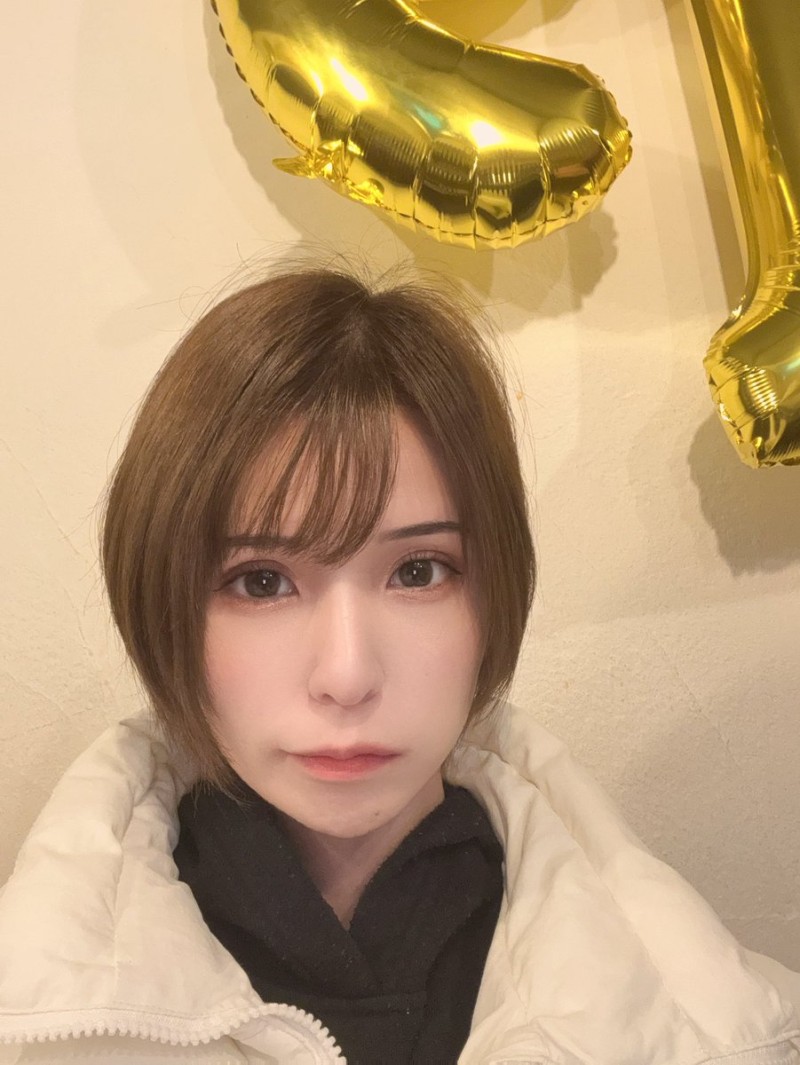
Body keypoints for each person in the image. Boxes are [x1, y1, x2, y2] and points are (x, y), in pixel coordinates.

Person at [0, 266, 797, 1065]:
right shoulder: (35, 1027)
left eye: (417, 571)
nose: (347, 675)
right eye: (262, 581)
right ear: (164, 601)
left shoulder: (729, 1032)